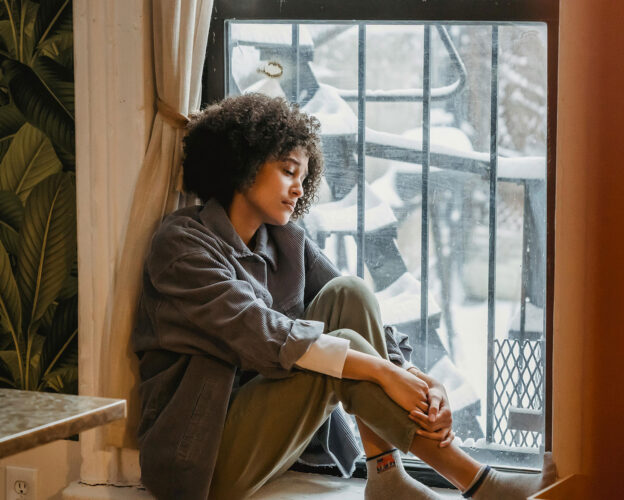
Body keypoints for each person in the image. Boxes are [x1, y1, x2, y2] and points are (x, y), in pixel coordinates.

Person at [133, 93, 552, 499]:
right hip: (201, 459)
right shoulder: (182, 245)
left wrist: (415, 376)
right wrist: (387, 375)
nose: (298, 189)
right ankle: (482, 485)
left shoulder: (287, 240)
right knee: (336, 351)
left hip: (274, 441)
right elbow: (263, 335)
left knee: (348, 292)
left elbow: (350, 307)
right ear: (242, 162)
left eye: (303, 177)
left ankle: (387, 475)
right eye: (287, 170)